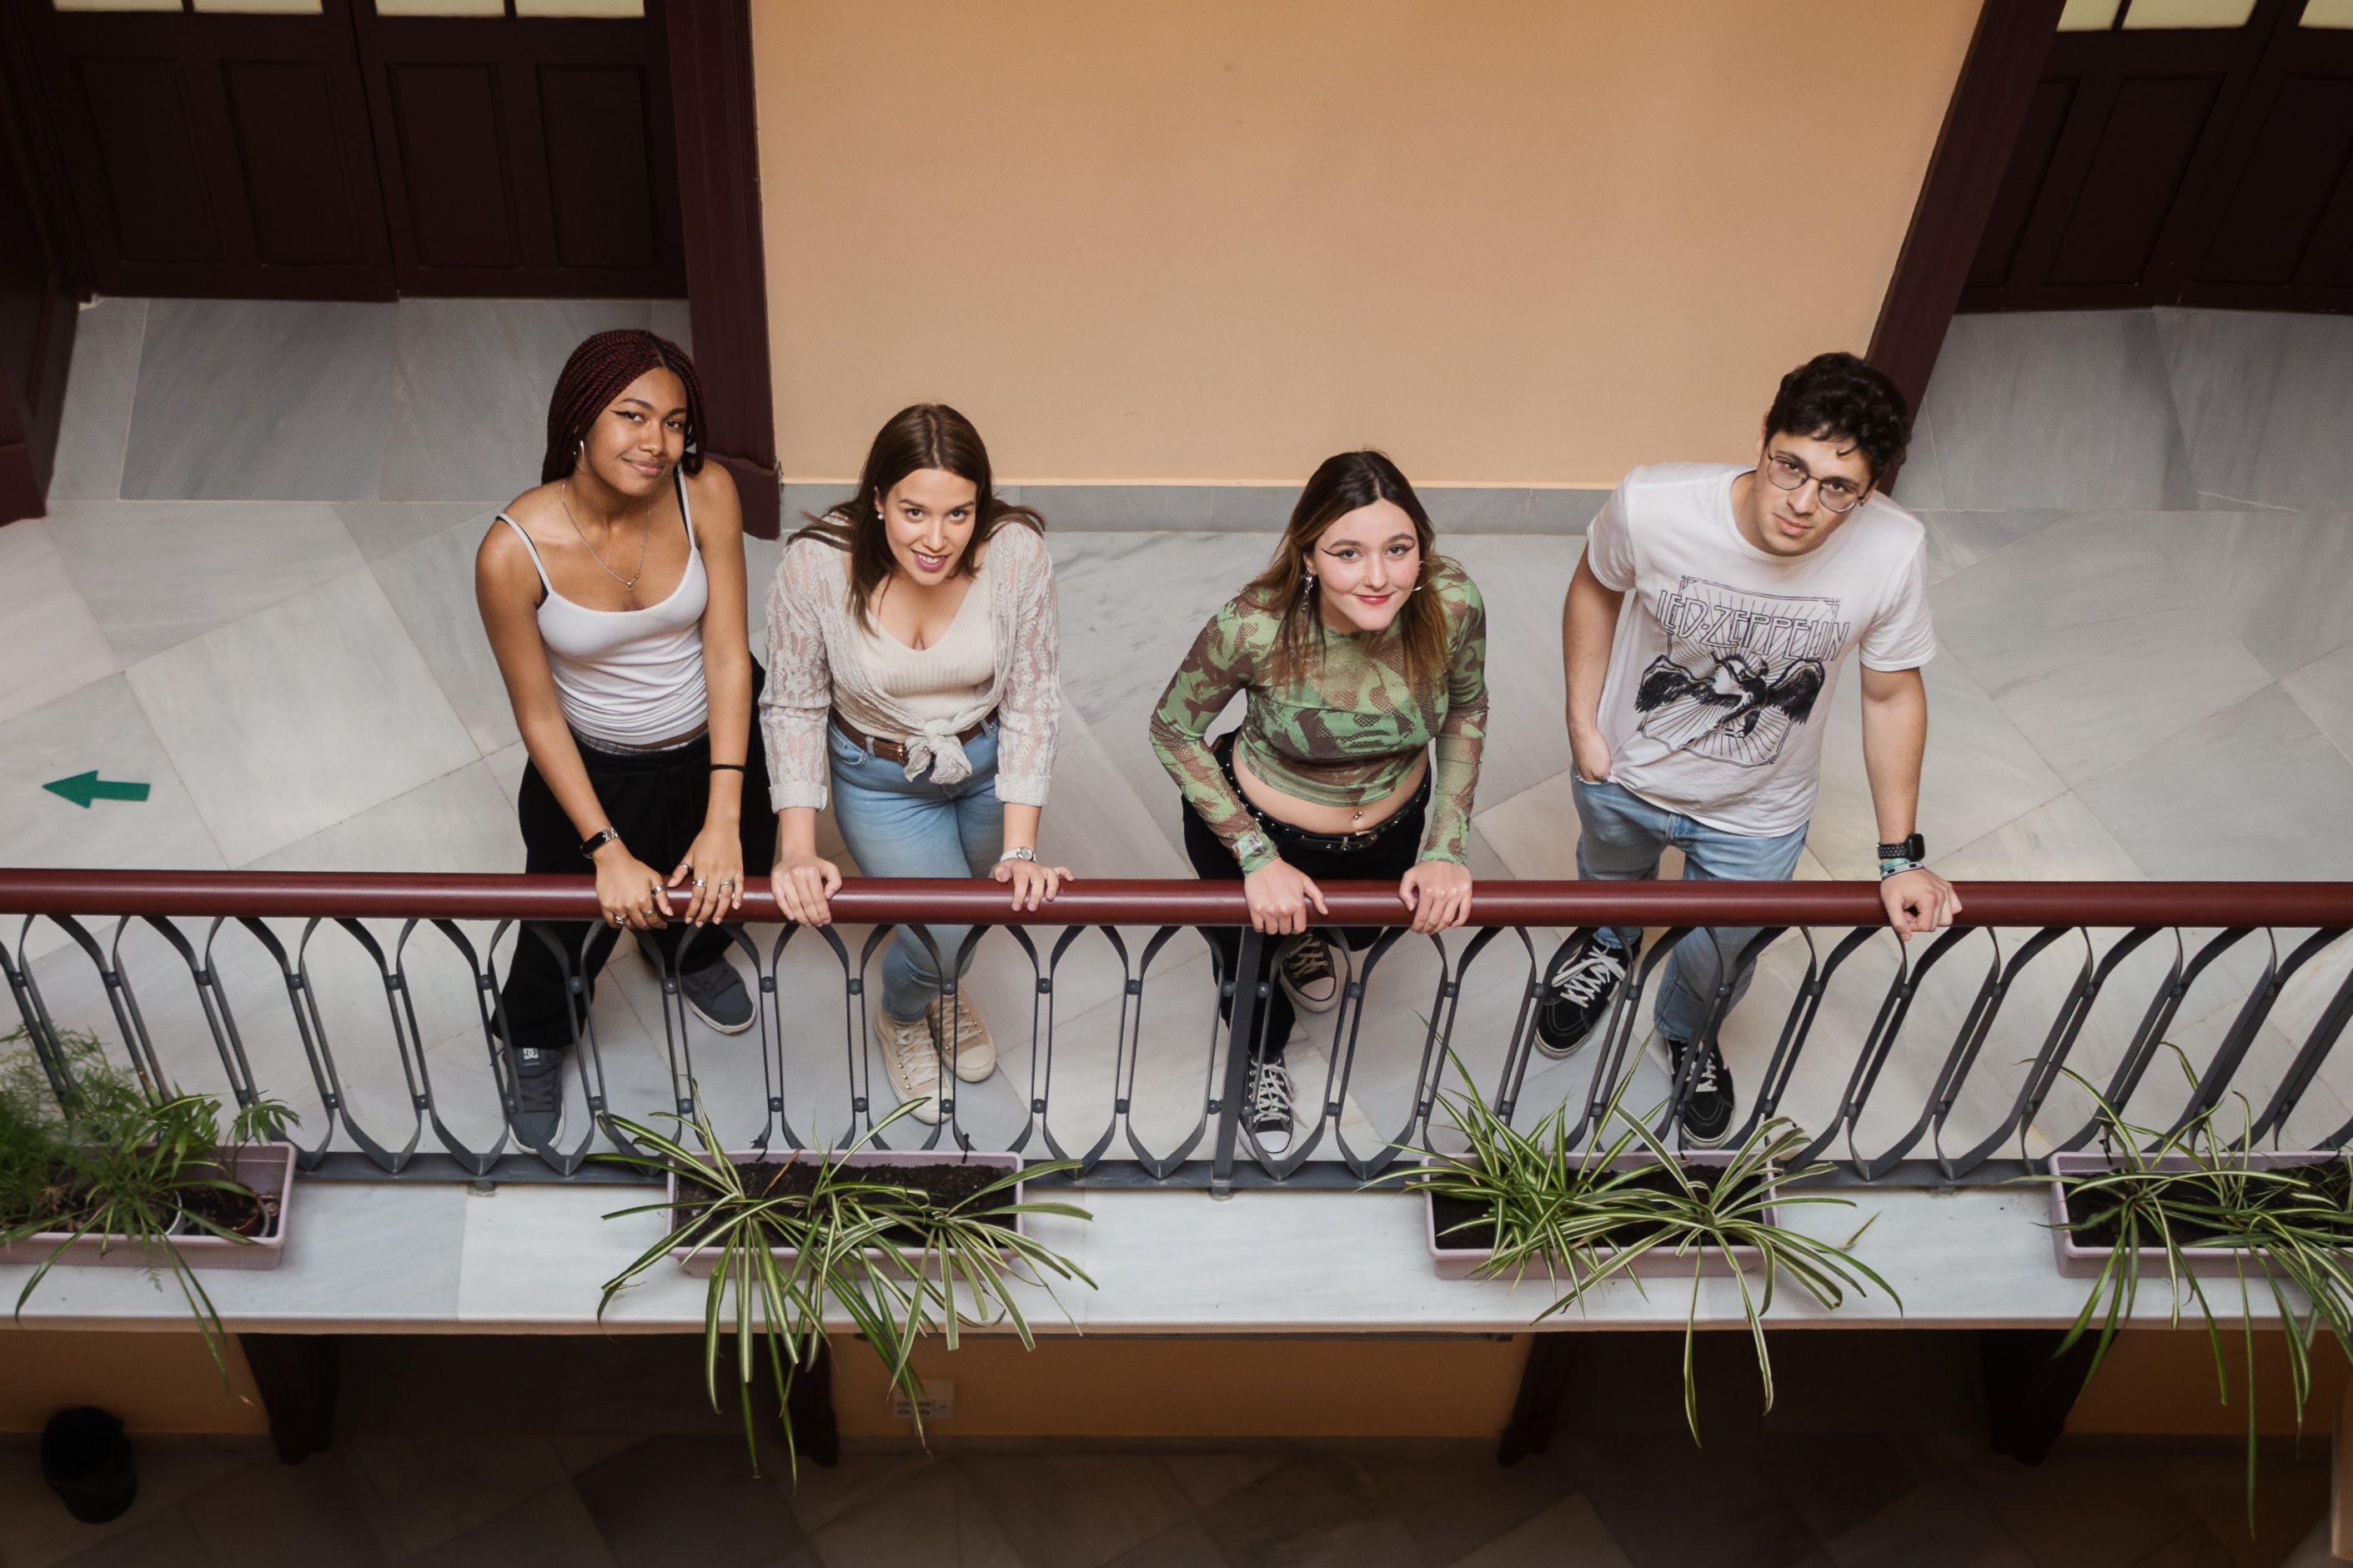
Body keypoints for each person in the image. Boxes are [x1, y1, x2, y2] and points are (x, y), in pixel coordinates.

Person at [1538, 351, 1963, 1146]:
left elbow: (1891, 692)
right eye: (1789, 466)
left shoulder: (1892, 549)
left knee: (1720, 959)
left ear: (1869, 491)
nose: (1803, 502)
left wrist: (1900, 856)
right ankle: (1606, 944)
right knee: (1610, 880)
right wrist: (1582, 723)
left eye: (1838, 487)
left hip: (1759, 812)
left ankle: (1688, 1033)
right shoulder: (1657, 505)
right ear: (1763, 438)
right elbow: (1595, 584)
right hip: (1623, 773)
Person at [478, 328, 775, 1146]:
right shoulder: (512, 551)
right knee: (563, 925)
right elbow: (537, 713)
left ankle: (687, 952)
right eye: (633, 415)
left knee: (721, 873)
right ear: (580, 418)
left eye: (676, 422)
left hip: (710, 747)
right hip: (594, 770)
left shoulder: (703, 490)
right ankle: (537, 1034)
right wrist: (605, 845)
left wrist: (721, 813)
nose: (658, 443)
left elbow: (725, 650)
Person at [1151, 450, 1487, 1155]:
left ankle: (1304, 936)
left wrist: (1446, 843)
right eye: (1347, 552)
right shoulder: (1254, 625)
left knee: (1360, 934)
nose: (1378, 576)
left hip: (1390, 828)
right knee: (1250, 966)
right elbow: (1172, 726)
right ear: (1307, 554)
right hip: (1261, 831)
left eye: (1399, 549)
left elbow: (1466, 708)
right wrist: (1255, 856)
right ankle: (1261, 1057)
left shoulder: (1452, 603)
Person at [760, 403, 1067, 1125]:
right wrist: (797, 849)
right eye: (914, 512)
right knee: (945, 929)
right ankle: (902, 1014)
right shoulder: (816, 565)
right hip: (880, 776)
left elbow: (1033, 698)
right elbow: (794, 704)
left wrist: (1023, 847)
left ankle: (939, 983)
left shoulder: (1015, 554)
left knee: (978, 905)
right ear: (877, 500)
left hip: (988, 760)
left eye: (959, 514)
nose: (937, 539)